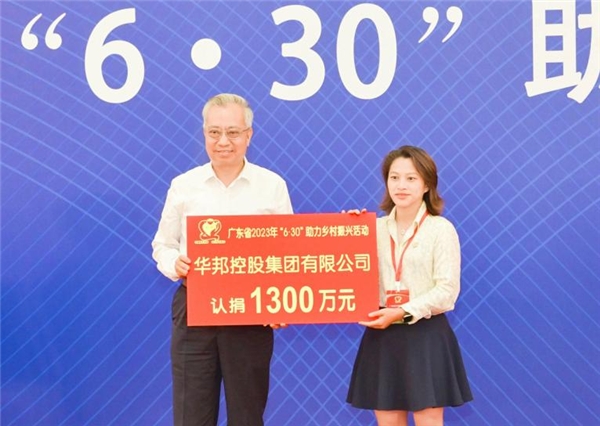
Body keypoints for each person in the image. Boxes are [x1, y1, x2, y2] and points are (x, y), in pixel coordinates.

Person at [151, 93, 293, 426]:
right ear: (204, 133)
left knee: (247, 415)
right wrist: (175, 264)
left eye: (233, 132)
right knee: (191, 414)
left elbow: (287, 251)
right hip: (195, 309)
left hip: (251, 311)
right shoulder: (184, 185)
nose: (223, 141)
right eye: (214, 132)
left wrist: (281, 305)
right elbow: (163, 244)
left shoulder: (271, 186)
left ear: (249, 135)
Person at [346, 146, 473, 426]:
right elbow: (345, 273)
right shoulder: (372, 229)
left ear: (427, 185)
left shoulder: (440, 229)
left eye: (411, 178)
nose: (401, 185)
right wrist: (347, 231)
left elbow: (447, 292)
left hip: (425, 335)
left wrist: (403, 311)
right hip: (382, 336)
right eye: (394, 178)